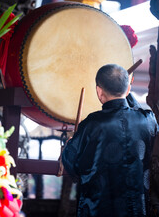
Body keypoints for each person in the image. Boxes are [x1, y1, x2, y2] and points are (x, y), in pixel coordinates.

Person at [62, 64, 158, 217]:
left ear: (99, 91)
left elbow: (72, 164)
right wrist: (126, 90)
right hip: (138, 210)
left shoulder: (91, 124)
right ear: (128, 89)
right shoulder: (148, 120)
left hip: (98, 209)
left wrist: (68, 146)